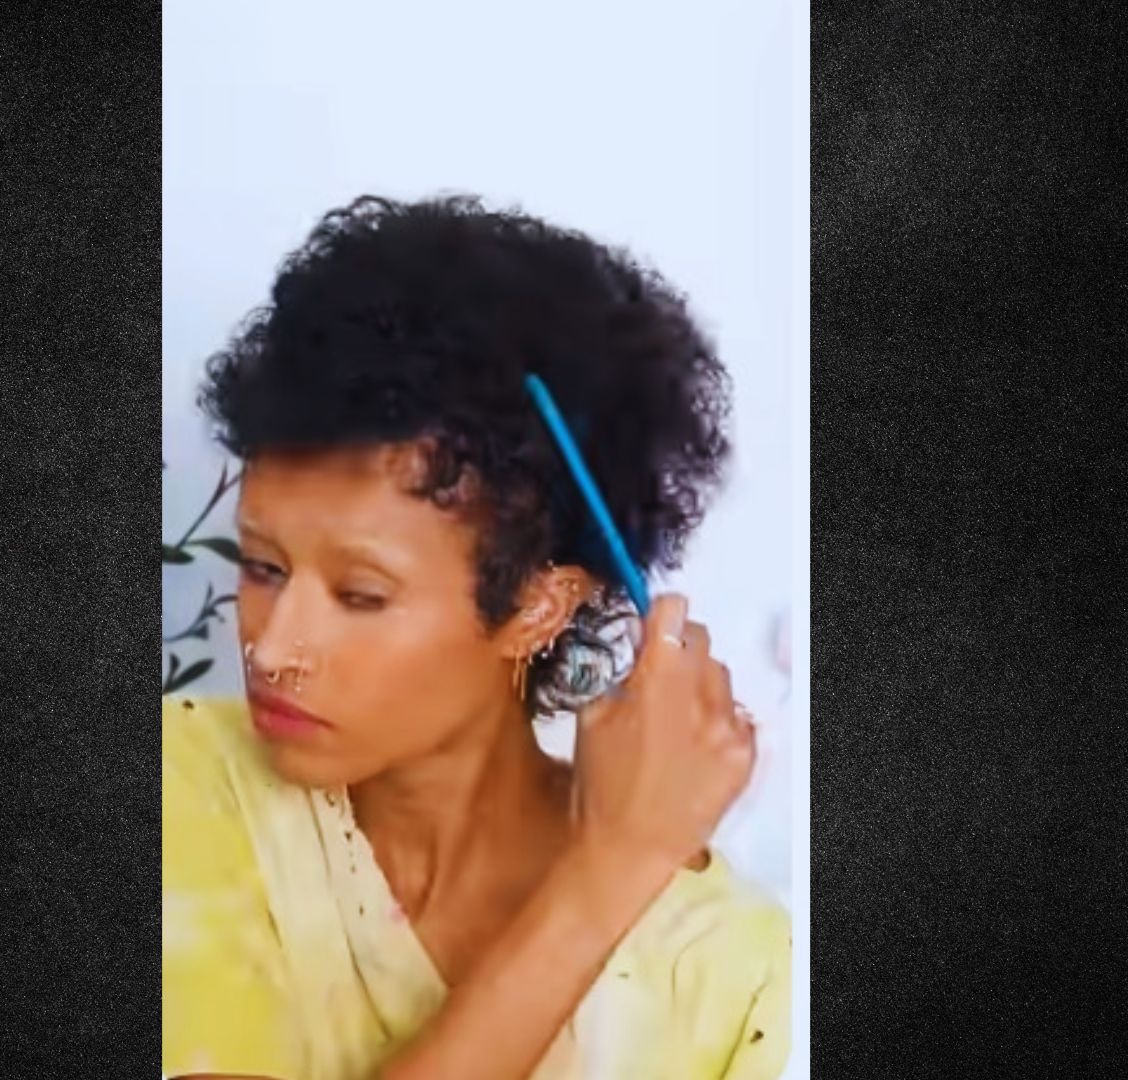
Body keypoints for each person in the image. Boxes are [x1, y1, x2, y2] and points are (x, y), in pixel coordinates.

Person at [163, 195, 790, 1078]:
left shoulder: (726, 965)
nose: (272, 650)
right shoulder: (178, 784)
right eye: (264, 568)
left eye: (360, 595)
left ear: (538, 604)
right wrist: (607, 873)